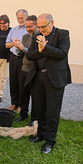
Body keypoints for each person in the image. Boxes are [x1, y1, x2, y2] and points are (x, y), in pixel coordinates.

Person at [25, 13, 71, 154]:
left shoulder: (63, 34)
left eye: (43, 26)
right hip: (38, 76)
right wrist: (40, 50)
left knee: (52, 111)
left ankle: (50, 141)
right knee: (39, 108)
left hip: (55, 78)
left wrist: (45, 48)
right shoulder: (37, 35)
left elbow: (61, 53)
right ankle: (40, 134)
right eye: (39, 27)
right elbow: (30, 55)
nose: (41, 30)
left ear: (52, 23)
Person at [13, 15, 38, 125]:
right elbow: (21, 53)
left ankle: (34, 118)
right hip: (24, 68)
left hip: (34, 70)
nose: (28, 29)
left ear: (36, 25)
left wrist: (23, 48)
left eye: (31, 26)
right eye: (27, 27)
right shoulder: (25, 36)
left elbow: (35, 54)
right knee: (23, 94)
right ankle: (23, 114)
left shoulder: (40, 37)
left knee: (35, 96)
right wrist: (18, 47)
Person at [6, 9, 28, 111]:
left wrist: (21, 45)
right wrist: (13, 43)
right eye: (18, 18)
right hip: (13, 57)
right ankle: (14, 103)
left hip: (24, 58)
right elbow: (7, 44)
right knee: (13, 81)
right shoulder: (13, 30)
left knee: (22, 82)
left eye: (22, 18)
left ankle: (21, 105)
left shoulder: (29, 30)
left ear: (26, 18)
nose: (20, 20)